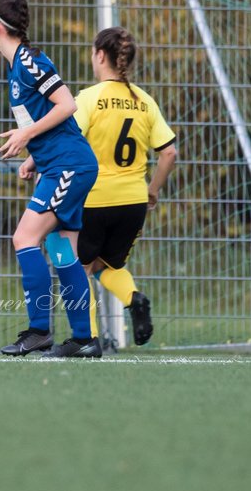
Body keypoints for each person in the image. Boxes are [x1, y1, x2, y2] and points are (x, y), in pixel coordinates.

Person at [0, 0, 101, 358]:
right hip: (61, 164)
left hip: (70, 166)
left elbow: (67, 105)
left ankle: (38, 331)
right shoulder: (16, 67)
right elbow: (56, 122)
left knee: (24, 238)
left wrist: (25, 136)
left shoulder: (30, 62)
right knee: (61, 248)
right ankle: (84, 340)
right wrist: (34, 158)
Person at [74, 27, 178, 347]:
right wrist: (153, 190)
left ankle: (87, 338)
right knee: (107, 264)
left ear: (100, 55)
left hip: (94, 198)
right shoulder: (144, 101)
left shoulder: (89, 98)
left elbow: (70, 143)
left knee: (78, 268)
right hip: (133, 200)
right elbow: (169, 152)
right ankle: (134, 298)